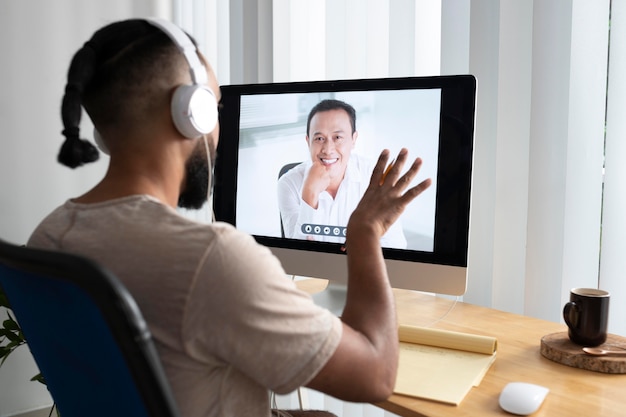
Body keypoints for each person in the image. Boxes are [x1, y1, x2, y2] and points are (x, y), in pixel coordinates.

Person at [27, 18, 432, 417]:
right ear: (192, 113)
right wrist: (364, 231)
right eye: (216, 106)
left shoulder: (48, 235)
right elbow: (376, 376)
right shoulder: (211, 257)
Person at [277, 99, 407, 248]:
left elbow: (394, 245)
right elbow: (296, 257)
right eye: (319, 138)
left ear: (353, 140)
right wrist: (309, 195)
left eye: (337, 137)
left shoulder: (373, 175)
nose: (327, 149)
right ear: (308, 142)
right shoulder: (289, 183)